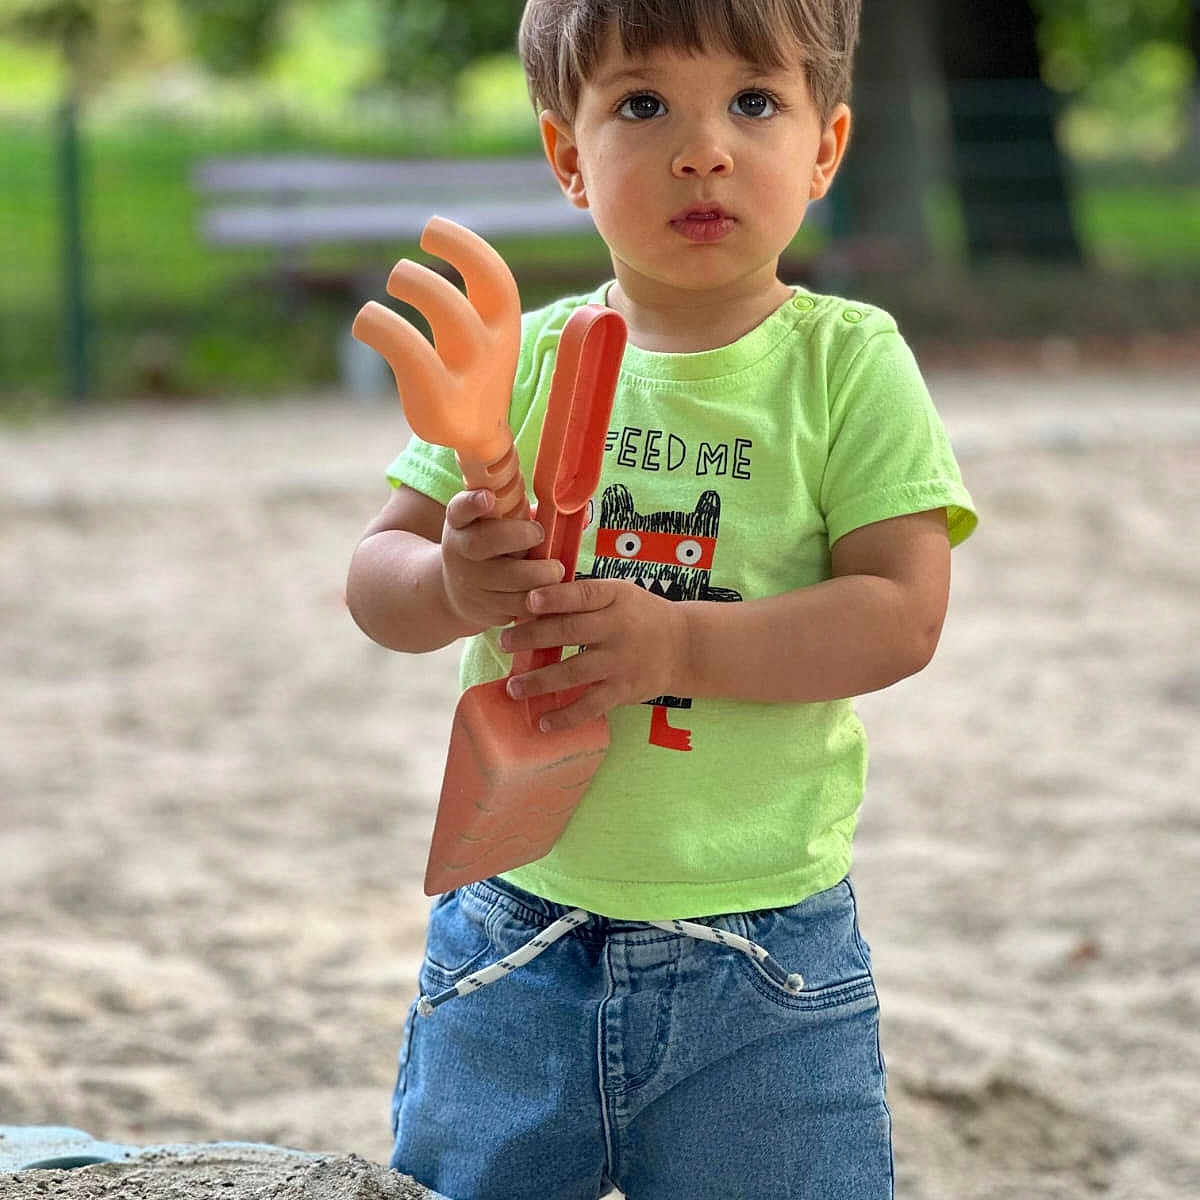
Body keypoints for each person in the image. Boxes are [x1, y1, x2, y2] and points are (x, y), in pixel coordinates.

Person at [346, 1, 977, 1196]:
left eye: (754, 102)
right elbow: (377, 582)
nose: (703, 149)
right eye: (643, 105)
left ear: (827, 147)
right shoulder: (519, 363)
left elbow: (902, 614)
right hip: (512, 927)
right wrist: (449, 582)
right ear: (567, 156)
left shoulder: (847, 362)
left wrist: (678, 638)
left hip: (763, 950)